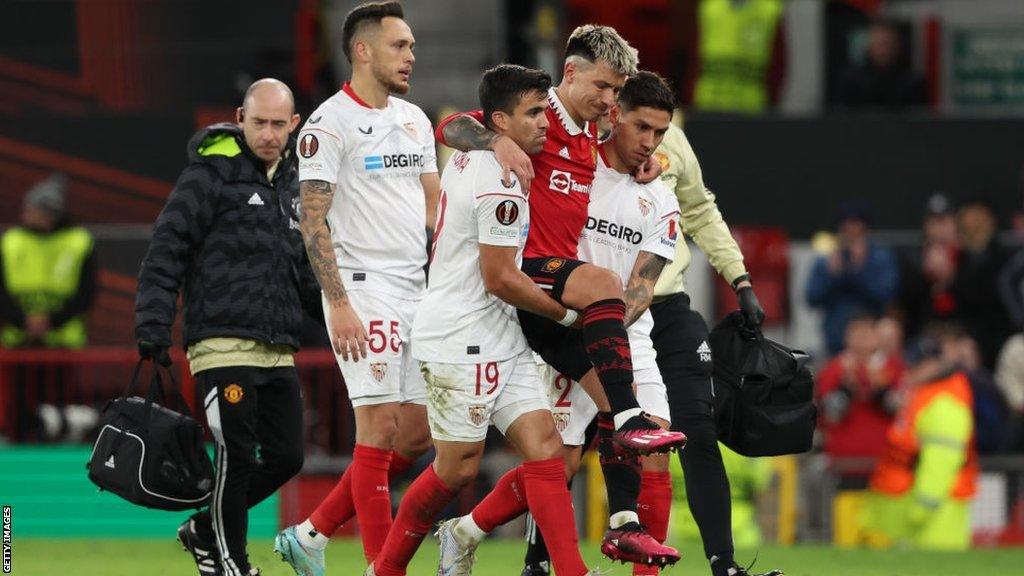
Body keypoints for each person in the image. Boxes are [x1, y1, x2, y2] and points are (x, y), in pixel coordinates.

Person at [436, 25, 686, 565]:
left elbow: (643, 282)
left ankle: (617, 523)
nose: (610, 103)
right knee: (554, 457)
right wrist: (496, 137)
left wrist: (656, 163)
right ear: (572, 73)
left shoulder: (611, 162)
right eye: (605, 89)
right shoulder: (538, 120)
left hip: (595, 322)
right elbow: (451, 125)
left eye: (618, 94)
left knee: (586, 452)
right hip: (543, 297)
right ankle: (475, 537)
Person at [365, 63, 601, 576]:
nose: (545, 123)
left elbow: (454, 129)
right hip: (460, 334)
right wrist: (565, 316)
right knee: (455, 468)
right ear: (500, 121)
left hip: (498, 331)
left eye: (545, 110)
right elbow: (500, 277)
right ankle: (385, 568)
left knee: (545, 449)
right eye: (533, 113)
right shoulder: (500, 179)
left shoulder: (474, 152)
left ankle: (571, 571)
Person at [274, 2, 439, 574]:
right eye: (400, 46)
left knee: (416, 436)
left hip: (417, 289)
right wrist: (339, 304)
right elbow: (312, 221)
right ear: (363, 50)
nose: (411, 57)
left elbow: (433, 205)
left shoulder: (416, 120)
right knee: (379, 429)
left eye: (413, 46)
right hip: (362, 289)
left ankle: (312, 534)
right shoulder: (327, 125)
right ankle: (381, 565)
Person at [135, 78, 316, 576]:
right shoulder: (208, 174)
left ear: (294, 125)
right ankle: (233, 564)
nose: (268, 133)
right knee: (236, 454)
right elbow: (166, 247)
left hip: (277, 346)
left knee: (287, 457)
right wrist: (153, 324)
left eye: (279, 124)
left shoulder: (290, 185)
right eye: (259, 122)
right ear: (240, 117)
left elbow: (299, 268)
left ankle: (202, 530)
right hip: (220, 342)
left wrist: (339, 320)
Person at [862, 336, 979, 550]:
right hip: (915, 511)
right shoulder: (925, 396)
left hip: (935, 519)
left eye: (918, 364)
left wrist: (921, 510)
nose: (910, 369)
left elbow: (940, 464)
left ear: (936, 364)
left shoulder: (945, 405)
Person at [1, 173, 96, 350]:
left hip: (63, 344)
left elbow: (86, 294)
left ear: (50, 213)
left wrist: (51, 321)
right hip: (17, 342)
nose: (26, 213)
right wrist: (22, 321)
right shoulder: (10, 241)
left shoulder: (79, 242)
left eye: (32, 209)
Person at [816, 312, 901, 485]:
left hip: (885, 465)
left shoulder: (894, 368)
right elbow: (830, 415)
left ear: (877, 337)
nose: (862, 338)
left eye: (867, 332)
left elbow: (901, 412)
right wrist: (846, 388)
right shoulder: (833, 370)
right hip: (844, 466)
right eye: (856, 332)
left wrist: (881, 390)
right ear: (847, 337)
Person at [805, 201, 899, 356]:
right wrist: (832, 276)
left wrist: (859, 271)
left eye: (855, 226)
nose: (851, 231)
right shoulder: (828, 258)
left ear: (864, 228)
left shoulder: (879, 257)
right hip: (835, 341)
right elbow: (811, 298)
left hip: (873, 338)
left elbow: (887, 294)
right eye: (846, 226)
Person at [839, 19, 926, 109]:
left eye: (888, 43)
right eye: (879, 44)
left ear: (898, 47)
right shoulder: (852, 80)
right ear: (870, 46)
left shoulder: (913, 81)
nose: (884, 50)